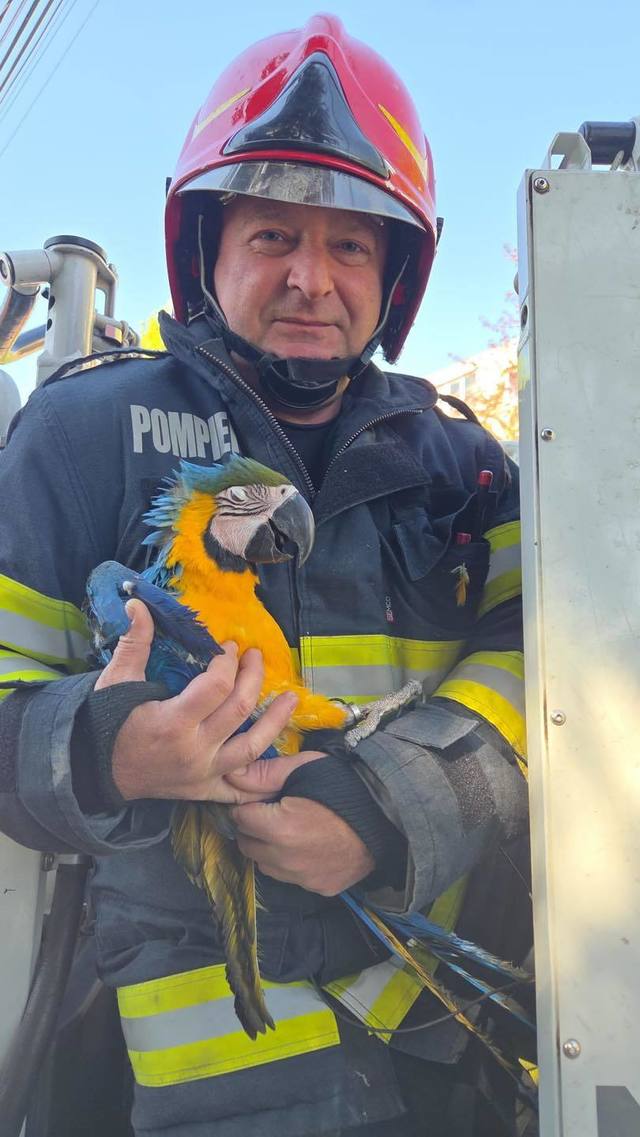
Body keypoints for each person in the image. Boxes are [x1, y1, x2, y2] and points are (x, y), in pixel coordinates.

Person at [0, 14, 531, 1137]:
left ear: (396, 274)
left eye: (350, 245)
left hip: (436, 1056)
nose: (310, 278)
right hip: (167, 1078)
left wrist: (389, 806)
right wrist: (105, 750)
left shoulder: (468, 467)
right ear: (208, 251)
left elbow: (555, 678)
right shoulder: (79, 435)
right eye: (272, 236)